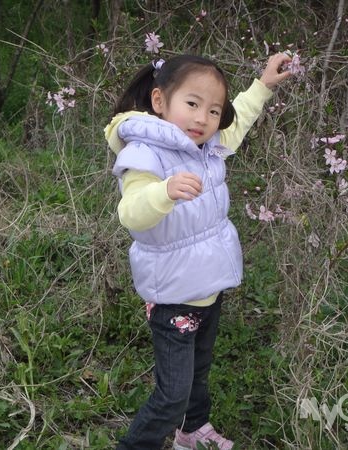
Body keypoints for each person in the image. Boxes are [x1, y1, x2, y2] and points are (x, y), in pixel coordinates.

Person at [104, 52, 292, 450]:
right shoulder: (144, 153)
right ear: (159, 100)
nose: (202, 118)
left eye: (212, 110)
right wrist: (164, 192)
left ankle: (192, 431)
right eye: (192, 104)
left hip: (208, 288)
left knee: (198, 372)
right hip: (173, 297)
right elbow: (130, 213)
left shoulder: (207, 145)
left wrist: (263, 85)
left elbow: (237, 121)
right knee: (171, 395)